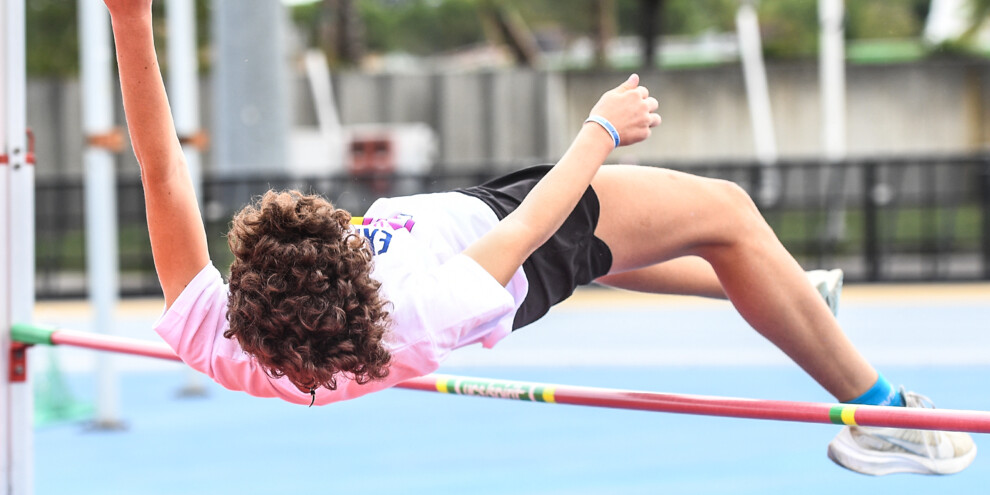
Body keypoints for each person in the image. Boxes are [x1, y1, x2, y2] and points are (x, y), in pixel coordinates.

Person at [104, 0, 975, 477]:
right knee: (729, 213)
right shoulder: (414, 308)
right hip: (519, 230)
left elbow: (160, 172)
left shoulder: (222, 334)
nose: (347, 222)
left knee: (632, 257)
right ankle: (885, 414)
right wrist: (599, 127)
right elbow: (531, 229)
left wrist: (129, 21)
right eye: (347, 233)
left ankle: (783, 295)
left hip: (485, 223)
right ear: (352, 277)